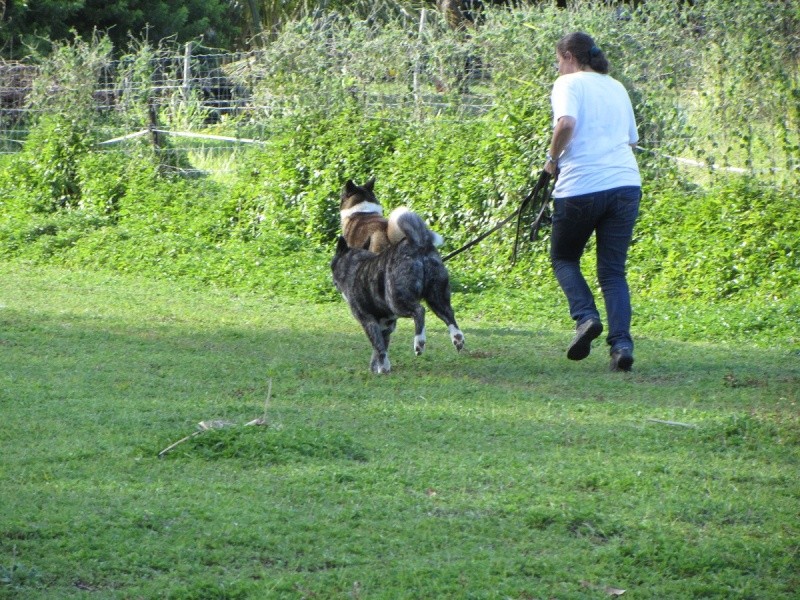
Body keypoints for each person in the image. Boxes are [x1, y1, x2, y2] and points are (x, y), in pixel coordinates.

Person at [543, 31, 641, 372]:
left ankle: (586, 318)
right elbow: (630, 141)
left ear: (569, 56)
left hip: (581, 185)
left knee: (564, 258)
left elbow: (567, 122)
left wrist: (552, 158)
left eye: (558, 61)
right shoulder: (616, 86)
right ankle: (621, 346)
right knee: (613, 271)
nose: (557, 67)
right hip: (626, 184)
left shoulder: (568, 84)